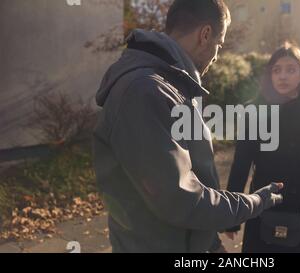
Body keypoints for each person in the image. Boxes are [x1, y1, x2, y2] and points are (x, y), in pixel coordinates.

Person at [93, 0, 283, 253]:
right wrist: (254, 202)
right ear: (205, 35)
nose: (217, 55)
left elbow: (196, 180)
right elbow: (181, 200)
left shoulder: (173, 88)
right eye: (219, 44)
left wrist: (212, 245)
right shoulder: (144, 91)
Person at [224, 43, 300, 253]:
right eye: (277, 70)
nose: (282, 76)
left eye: (291, 70)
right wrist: (232, 216)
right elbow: (241, 165)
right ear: (270, 76)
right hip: (262, 207)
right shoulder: (256, 112)